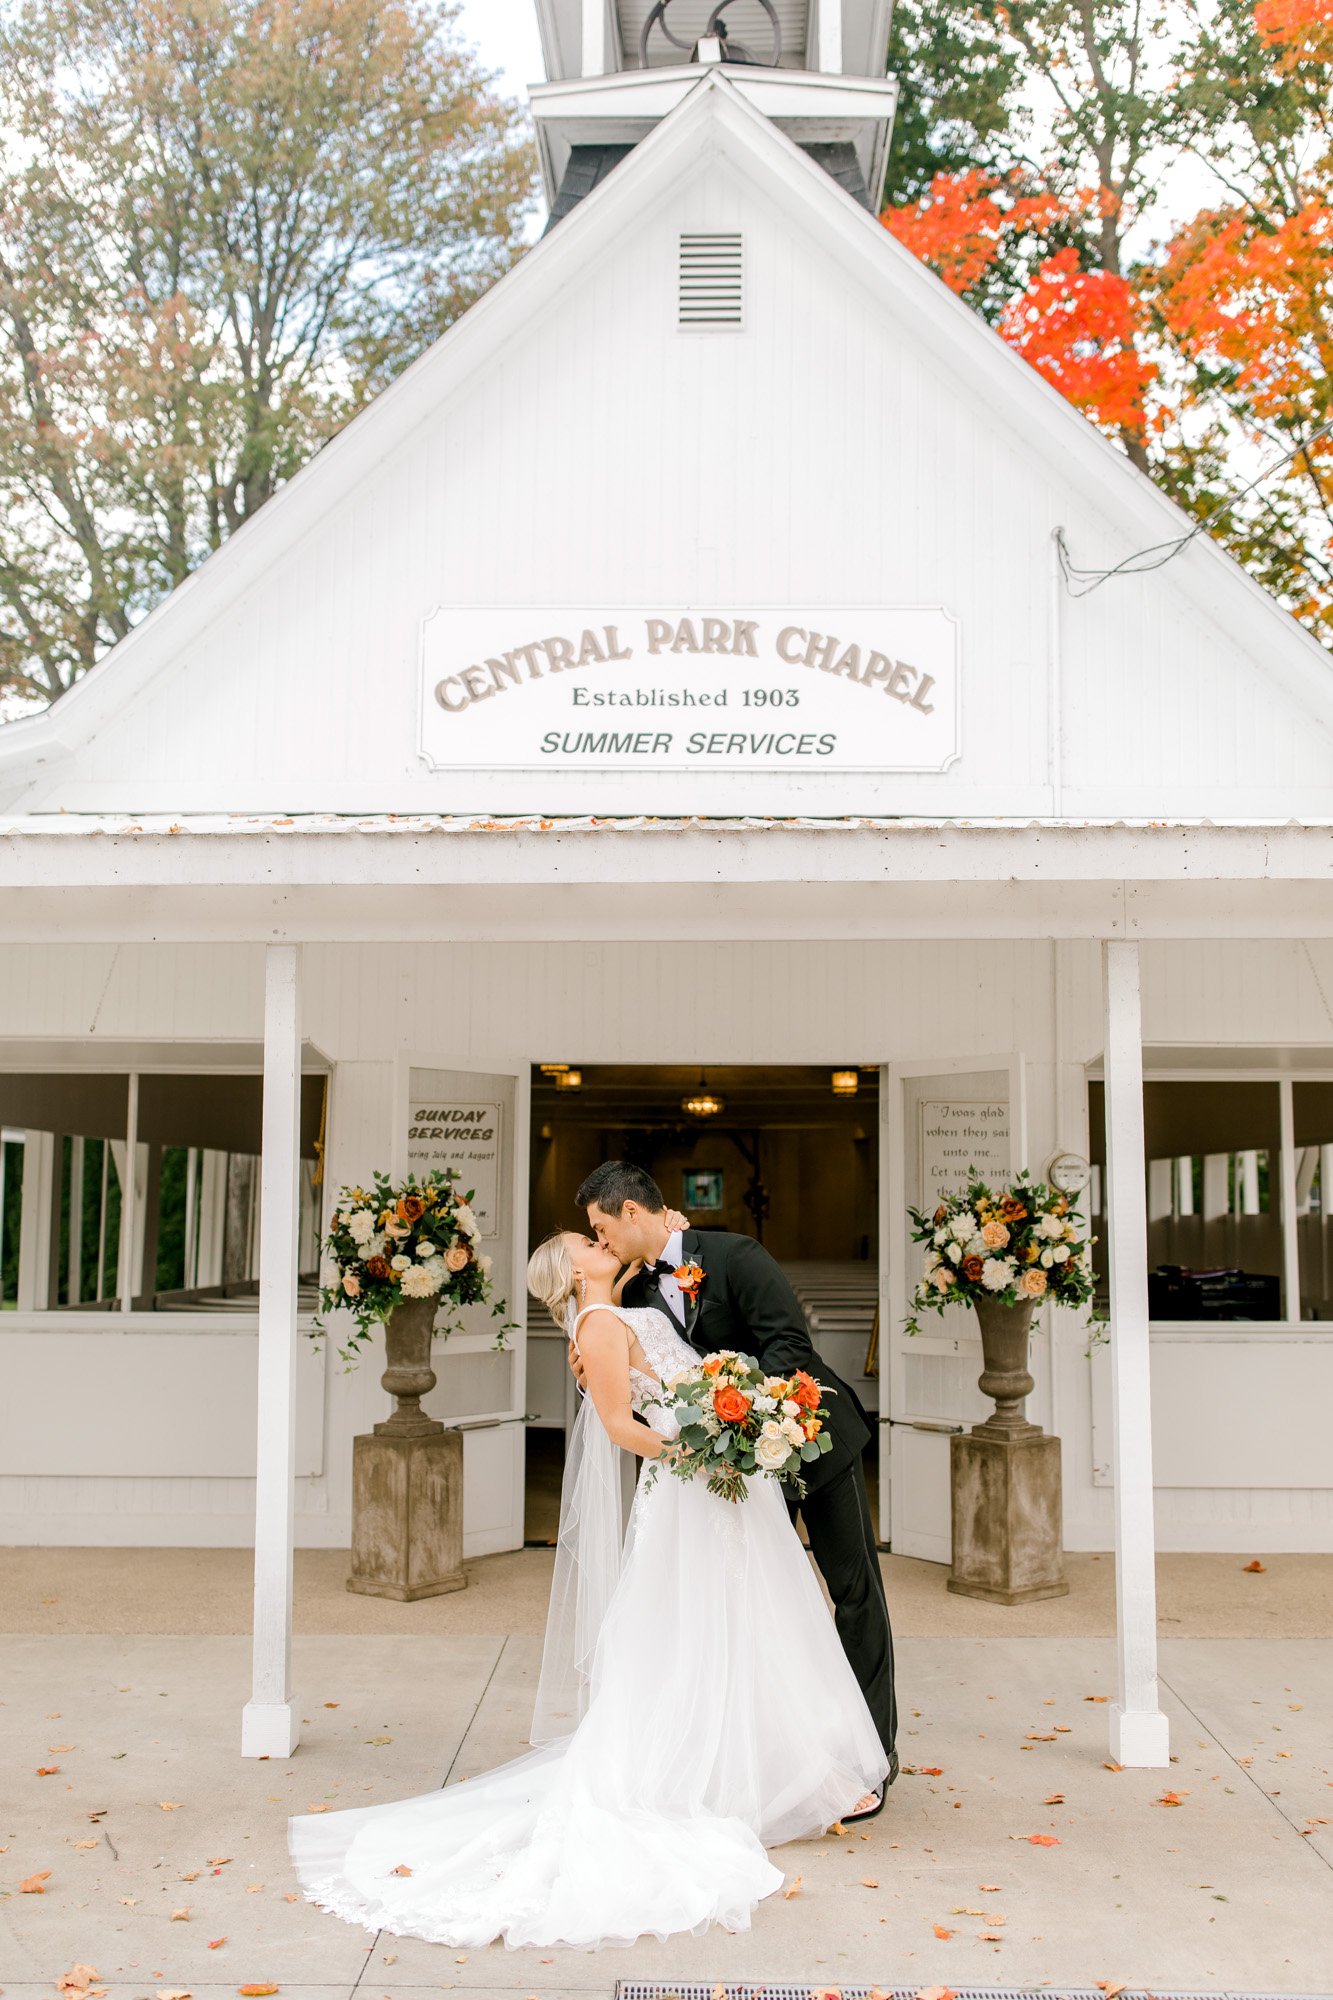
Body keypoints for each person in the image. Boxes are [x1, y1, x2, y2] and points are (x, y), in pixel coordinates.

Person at [288, 1227, 887, 1950]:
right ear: (574, 1272)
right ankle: (735, 1772)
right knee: (709, 1621)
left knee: (744, 1619)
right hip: (696, 1483)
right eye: (588, 1241)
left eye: (600, 1230)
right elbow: (616, 1425)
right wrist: (706, 1455)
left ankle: (772, 1765)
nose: (600, 1240)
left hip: (716, 1484)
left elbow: (670, 1345)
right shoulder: (600, 1323)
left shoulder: (623, 1304)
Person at [576, 1159, 899, 1818]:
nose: (599, 1240)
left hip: (815, 1438)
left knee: (852, 1590)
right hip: (732, 1473)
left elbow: (788, 1346)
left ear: (630, 1211)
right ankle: (767, 1755)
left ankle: (874, 1755)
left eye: (599, 1225)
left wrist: (747, 1415)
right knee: (758, 1602)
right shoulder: (631, 1298)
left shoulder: (734, 1255)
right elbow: (639, 1375)